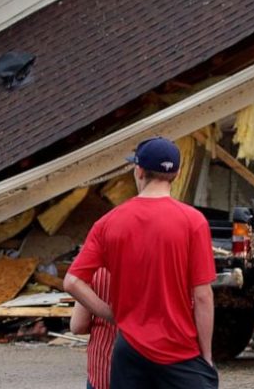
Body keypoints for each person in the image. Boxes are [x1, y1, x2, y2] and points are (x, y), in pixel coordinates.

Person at [64, 137, 218, 389]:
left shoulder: (108, 222)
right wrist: (207, 354)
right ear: (176, 174)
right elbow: (202, 296)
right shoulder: (193, 222)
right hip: (179, 349)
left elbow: (72, 282)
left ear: (138, 170)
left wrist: (111, 314)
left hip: (130, 350)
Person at [70, 268, 118, 389]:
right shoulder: (161, 263)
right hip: (153, 370)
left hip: (104, 371)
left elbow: (78, 326)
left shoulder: (94, 269)